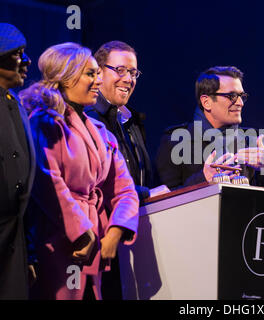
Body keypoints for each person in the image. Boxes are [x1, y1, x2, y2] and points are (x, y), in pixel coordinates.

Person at [19, 42, 139, 300]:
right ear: (66, 76)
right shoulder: (45, 121)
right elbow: (48, 183)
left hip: (94, 242)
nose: (98, 81)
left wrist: (115, 232)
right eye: (90, 74)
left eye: (97, 73)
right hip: (58, 241)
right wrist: (81, 233)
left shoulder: (101, 132)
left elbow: (125, 189)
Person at [84, 41, 169, 299]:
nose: (128, 79)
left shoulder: (129, 121)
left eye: (133, 73)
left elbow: (140, 176)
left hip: (135, 238)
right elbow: (99, 183)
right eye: (120, 70)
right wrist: (146, 193)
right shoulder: (89, 119)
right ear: (98, 72)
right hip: (102, 239)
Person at [156, 66, 264, 189]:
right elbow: (162, 198)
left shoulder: (247, 142)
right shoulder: (175, 141)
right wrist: (203, 178)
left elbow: (263, 199)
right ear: (206, 102)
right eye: (232, 96)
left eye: (241, 96)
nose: (240, 103)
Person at [0, 23, 35, 299]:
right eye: (18, 53)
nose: (26, 61)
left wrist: (30, 252)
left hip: (16, 242)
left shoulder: (17, 105)